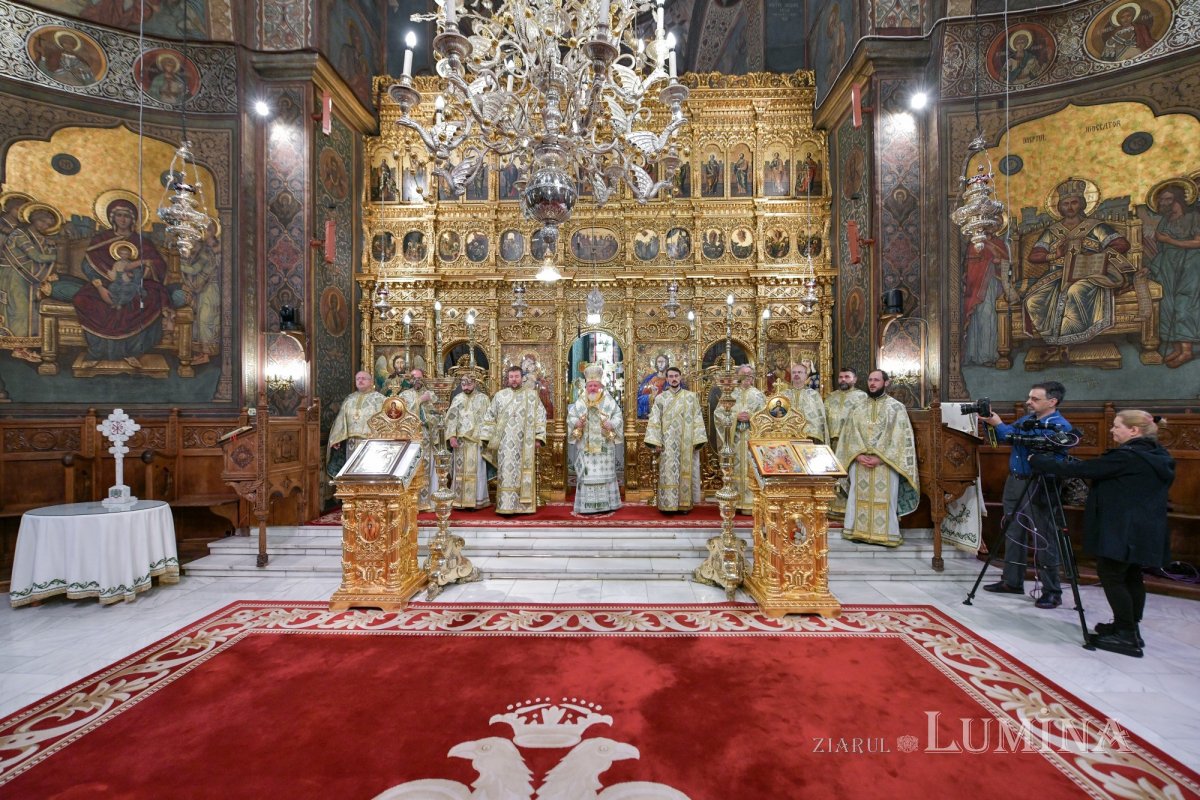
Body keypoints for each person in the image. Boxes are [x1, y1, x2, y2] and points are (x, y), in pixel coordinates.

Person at [1029, 410, 1173, 657]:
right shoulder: (1156, 454)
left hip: (1122, 528)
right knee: (1131, 576)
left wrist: (1039, 461)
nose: (1112, 430)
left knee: (1113, 575)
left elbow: (1088, 469)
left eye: (1117, 426)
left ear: (1134, 430)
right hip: (1143, 527)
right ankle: (1127, 627)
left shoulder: (1130, 456)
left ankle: (1126, 635)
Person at [981, 381, 1072, 608]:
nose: (1028, 402)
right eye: (1029, 397)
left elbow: (1020, 439)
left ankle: (1052, 590)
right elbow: (1006, 436)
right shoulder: (1027, 420)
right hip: (1015, 481)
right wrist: (990, 424)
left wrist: (1000, 424)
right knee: (1013, 530)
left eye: (1035, 399)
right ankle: (1012, 580)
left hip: (1039, 484)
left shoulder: (1059, 426)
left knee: (1043, 536)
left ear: (1052, 401)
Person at [1023, 179, 1132, 356]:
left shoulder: (1096, 226)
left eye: (1074, 202)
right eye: (1065, 204)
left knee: (1074, 291)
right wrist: (1055, 255)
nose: (1070, 207)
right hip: (1057, 274)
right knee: (1033, 300)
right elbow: (1034, 256)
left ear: (1082, 204)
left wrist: (1095, 255)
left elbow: (1122, 244)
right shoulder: (1052, 231)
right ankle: (1053, 341)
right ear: (1059, 207)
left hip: (1089, 273)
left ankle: (1068, 343)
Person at [72, 198, 176, 369]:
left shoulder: (142, 241)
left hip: (136, 284)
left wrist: (146, 271)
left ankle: (131, 352)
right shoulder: (101, 239)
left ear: (133, 219)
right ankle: (97, 352)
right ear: (112, 218)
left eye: (127, 216)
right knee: (83, 299)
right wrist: (99, 287)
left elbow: (157, 264)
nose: (122, 219)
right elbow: (87, 264)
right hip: (104, 283)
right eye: (119, 215)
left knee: (146, 300)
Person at [835, 370, 919, 547]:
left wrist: (880, 458)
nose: (872, 383)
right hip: (860, 463)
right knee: (858, 498)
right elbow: (849, 435)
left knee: (885, 500)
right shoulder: (858, 407)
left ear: (886, 383)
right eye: (870, 380)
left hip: (886, 464)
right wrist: (858, 455)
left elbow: (899, 438)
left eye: (876, 380)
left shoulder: (896, 408)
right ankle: (856, 532)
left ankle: (886, 535)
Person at [1145, 184, 1200, 368]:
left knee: (1184, 306)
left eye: (1168, 199)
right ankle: (1177, 348)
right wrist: (1151, 267)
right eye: (1161, 200)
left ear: (1178, 199)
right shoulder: (1165, 221)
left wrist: (1171, 240)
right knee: (1168, 306)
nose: (1163, 203)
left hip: (1190, 265)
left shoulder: (1194, 217)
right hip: (1168, 266)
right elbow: (1162, 249)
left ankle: (1187, 351)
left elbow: (1197, 243)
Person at [480, 365, 547, 514]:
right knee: (506, 473)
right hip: (504, 444)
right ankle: (506, 505)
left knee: (522, 474)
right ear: (507, 379)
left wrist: (538, 437)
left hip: (525, 444)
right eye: (511, 377)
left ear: (522, 378)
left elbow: (541, 416)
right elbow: (490, 417)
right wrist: (486, 437)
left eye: (516, 377)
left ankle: (523, 507)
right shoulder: (500, 396)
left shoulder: (532, 396)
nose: (514, 380)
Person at [0, 203, 62, 362]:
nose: (44, 226)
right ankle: (18, 348)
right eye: (42, 221)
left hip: (26, 277)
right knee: (19, 310)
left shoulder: (37, 237)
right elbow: (38, 257)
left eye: (48, 224)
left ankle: (23, 347)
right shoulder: (19, 235)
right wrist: (56, 254)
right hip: (13, 276)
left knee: (29, 311)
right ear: (33, 219)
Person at [644, 366, 707, 513]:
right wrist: (656, 442)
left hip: (686, 442)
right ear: (666, 379)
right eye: (670, 376)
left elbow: (698, 418)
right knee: (668, 473)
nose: (673, 379)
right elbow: (655, 421)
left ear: (680, 378)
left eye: (676, 376)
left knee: (684, 473)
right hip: (667, 443)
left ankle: (684, 505)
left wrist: (696, 440)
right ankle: (667, 505)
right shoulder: (660, 398)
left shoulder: (691, 397)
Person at [567, 365, 624, 514]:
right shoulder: (580, 401)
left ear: (600, 386)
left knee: (604, 475)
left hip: (605, 447)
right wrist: (576, 423)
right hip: (585, 447)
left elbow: (618, 415)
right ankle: (586, 506)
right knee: (587, 475)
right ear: (586, 386)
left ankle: (608, 505)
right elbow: (571, 417)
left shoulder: (608, 400)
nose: (592, 388)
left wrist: (612, 424)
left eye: (595, 385)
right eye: (590, 385)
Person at [714, 364, 767, 513]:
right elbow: (718, 414)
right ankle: (734, 502)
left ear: (753, 377)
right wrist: (735, 417)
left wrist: (752, 418)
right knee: (734, 468)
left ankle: (752, 503)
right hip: (734, 440)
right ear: (737, 376)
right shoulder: (730, 394)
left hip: (752, 440)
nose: (747, 377)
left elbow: (766, 419)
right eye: (744, 374)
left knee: (752, 469)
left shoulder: (759, 395)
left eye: (750, 374)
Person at [446, 373, 491, 510]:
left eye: (469, 384)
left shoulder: (483, 399)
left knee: (477, 473)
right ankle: (459, 502)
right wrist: (452, 437)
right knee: (460, 473)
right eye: (463, 384)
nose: (466, 387)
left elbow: (489, 419)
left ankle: (477, 501)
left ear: (475, 384)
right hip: (461, 442)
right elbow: (451, 418)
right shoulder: (457, 399)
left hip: (477, 442)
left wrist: (486, 438)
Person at [327, 371, 385, 476]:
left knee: (370, 471)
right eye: (358, 379)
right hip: (351, 442)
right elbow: (340, 419)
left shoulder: (380, 399)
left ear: (371, 381)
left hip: (372, 441)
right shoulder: (349, 399)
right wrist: (336, 438)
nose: (360, 381)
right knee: (352, 471)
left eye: (363, 378)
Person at [397, 368, 437, 510]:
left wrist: (429, 420)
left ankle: (427, 502)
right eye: (414, 378)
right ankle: (411, 503)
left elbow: (437, 415)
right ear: (410, 379)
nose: (417, 381)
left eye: (420, 378)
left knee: (427, 468)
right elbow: (401, 415)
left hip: (427, 437)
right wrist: (419, 401)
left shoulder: (431, 394)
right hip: (410, 438)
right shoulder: (404, 395)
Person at [778, 363, 828, 442]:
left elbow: (820, 419)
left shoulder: (813, 395)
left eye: (799, 372)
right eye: (794, 372)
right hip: (787, 435)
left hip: (809, 437)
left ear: (806, 375)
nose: (796, 374)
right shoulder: (784, 395)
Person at [824, 367, 867, 450]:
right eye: (840, 377)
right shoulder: (830, 397)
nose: (843, 379)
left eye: (847, 377)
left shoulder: (862, 396)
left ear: (855, 379)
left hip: (851, 442)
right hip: (831, 442)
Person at [637, 354, 670, 419]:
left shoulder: (671, 378)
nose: (660, 364)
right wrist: (651, 396)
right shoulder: (650, 378)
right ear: (656, 364)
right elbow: (639, 398)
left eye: (662, 362)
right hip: (652, 411)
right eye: (659, 362)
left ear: (667, 363)